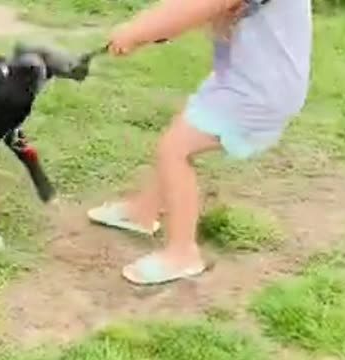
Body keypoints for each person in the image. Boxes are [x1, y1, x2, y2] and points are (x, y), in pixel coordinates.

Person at [87, 0, 313, 285]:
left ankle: (182, 253)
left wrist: (137, 31)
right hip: (242, 79)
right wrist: (160, 27)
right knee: (182, 131)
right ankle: (143, 211)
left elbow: (195, 5)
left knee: (175, 151)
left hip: (258, 91)